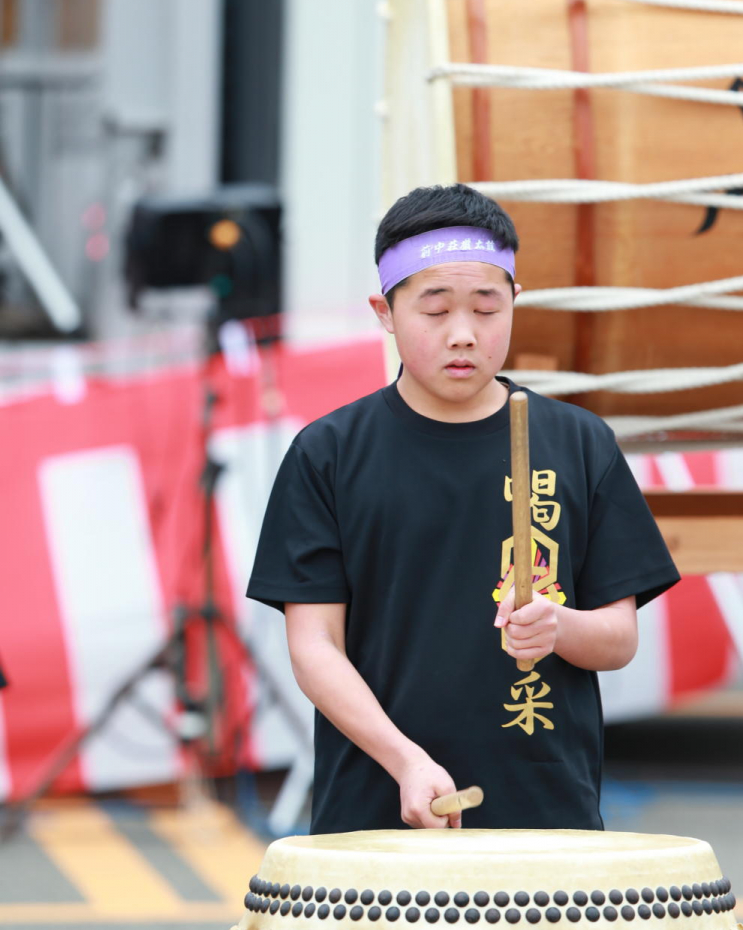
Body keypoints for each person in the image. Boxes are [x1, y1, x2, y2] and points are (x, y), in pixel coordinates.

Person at [247, 183, 680, 834]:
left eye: (486, 308)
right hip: (377, 805)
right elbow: (315, 648)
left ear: (514, 303)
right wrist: (406, 761)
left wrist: (557, 628)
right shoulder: (328, 455)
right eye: (434, 309)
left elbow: (618, 639)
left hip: (546, 810)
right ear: (385, 312)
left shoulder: (578, 443)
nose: (462, 335)